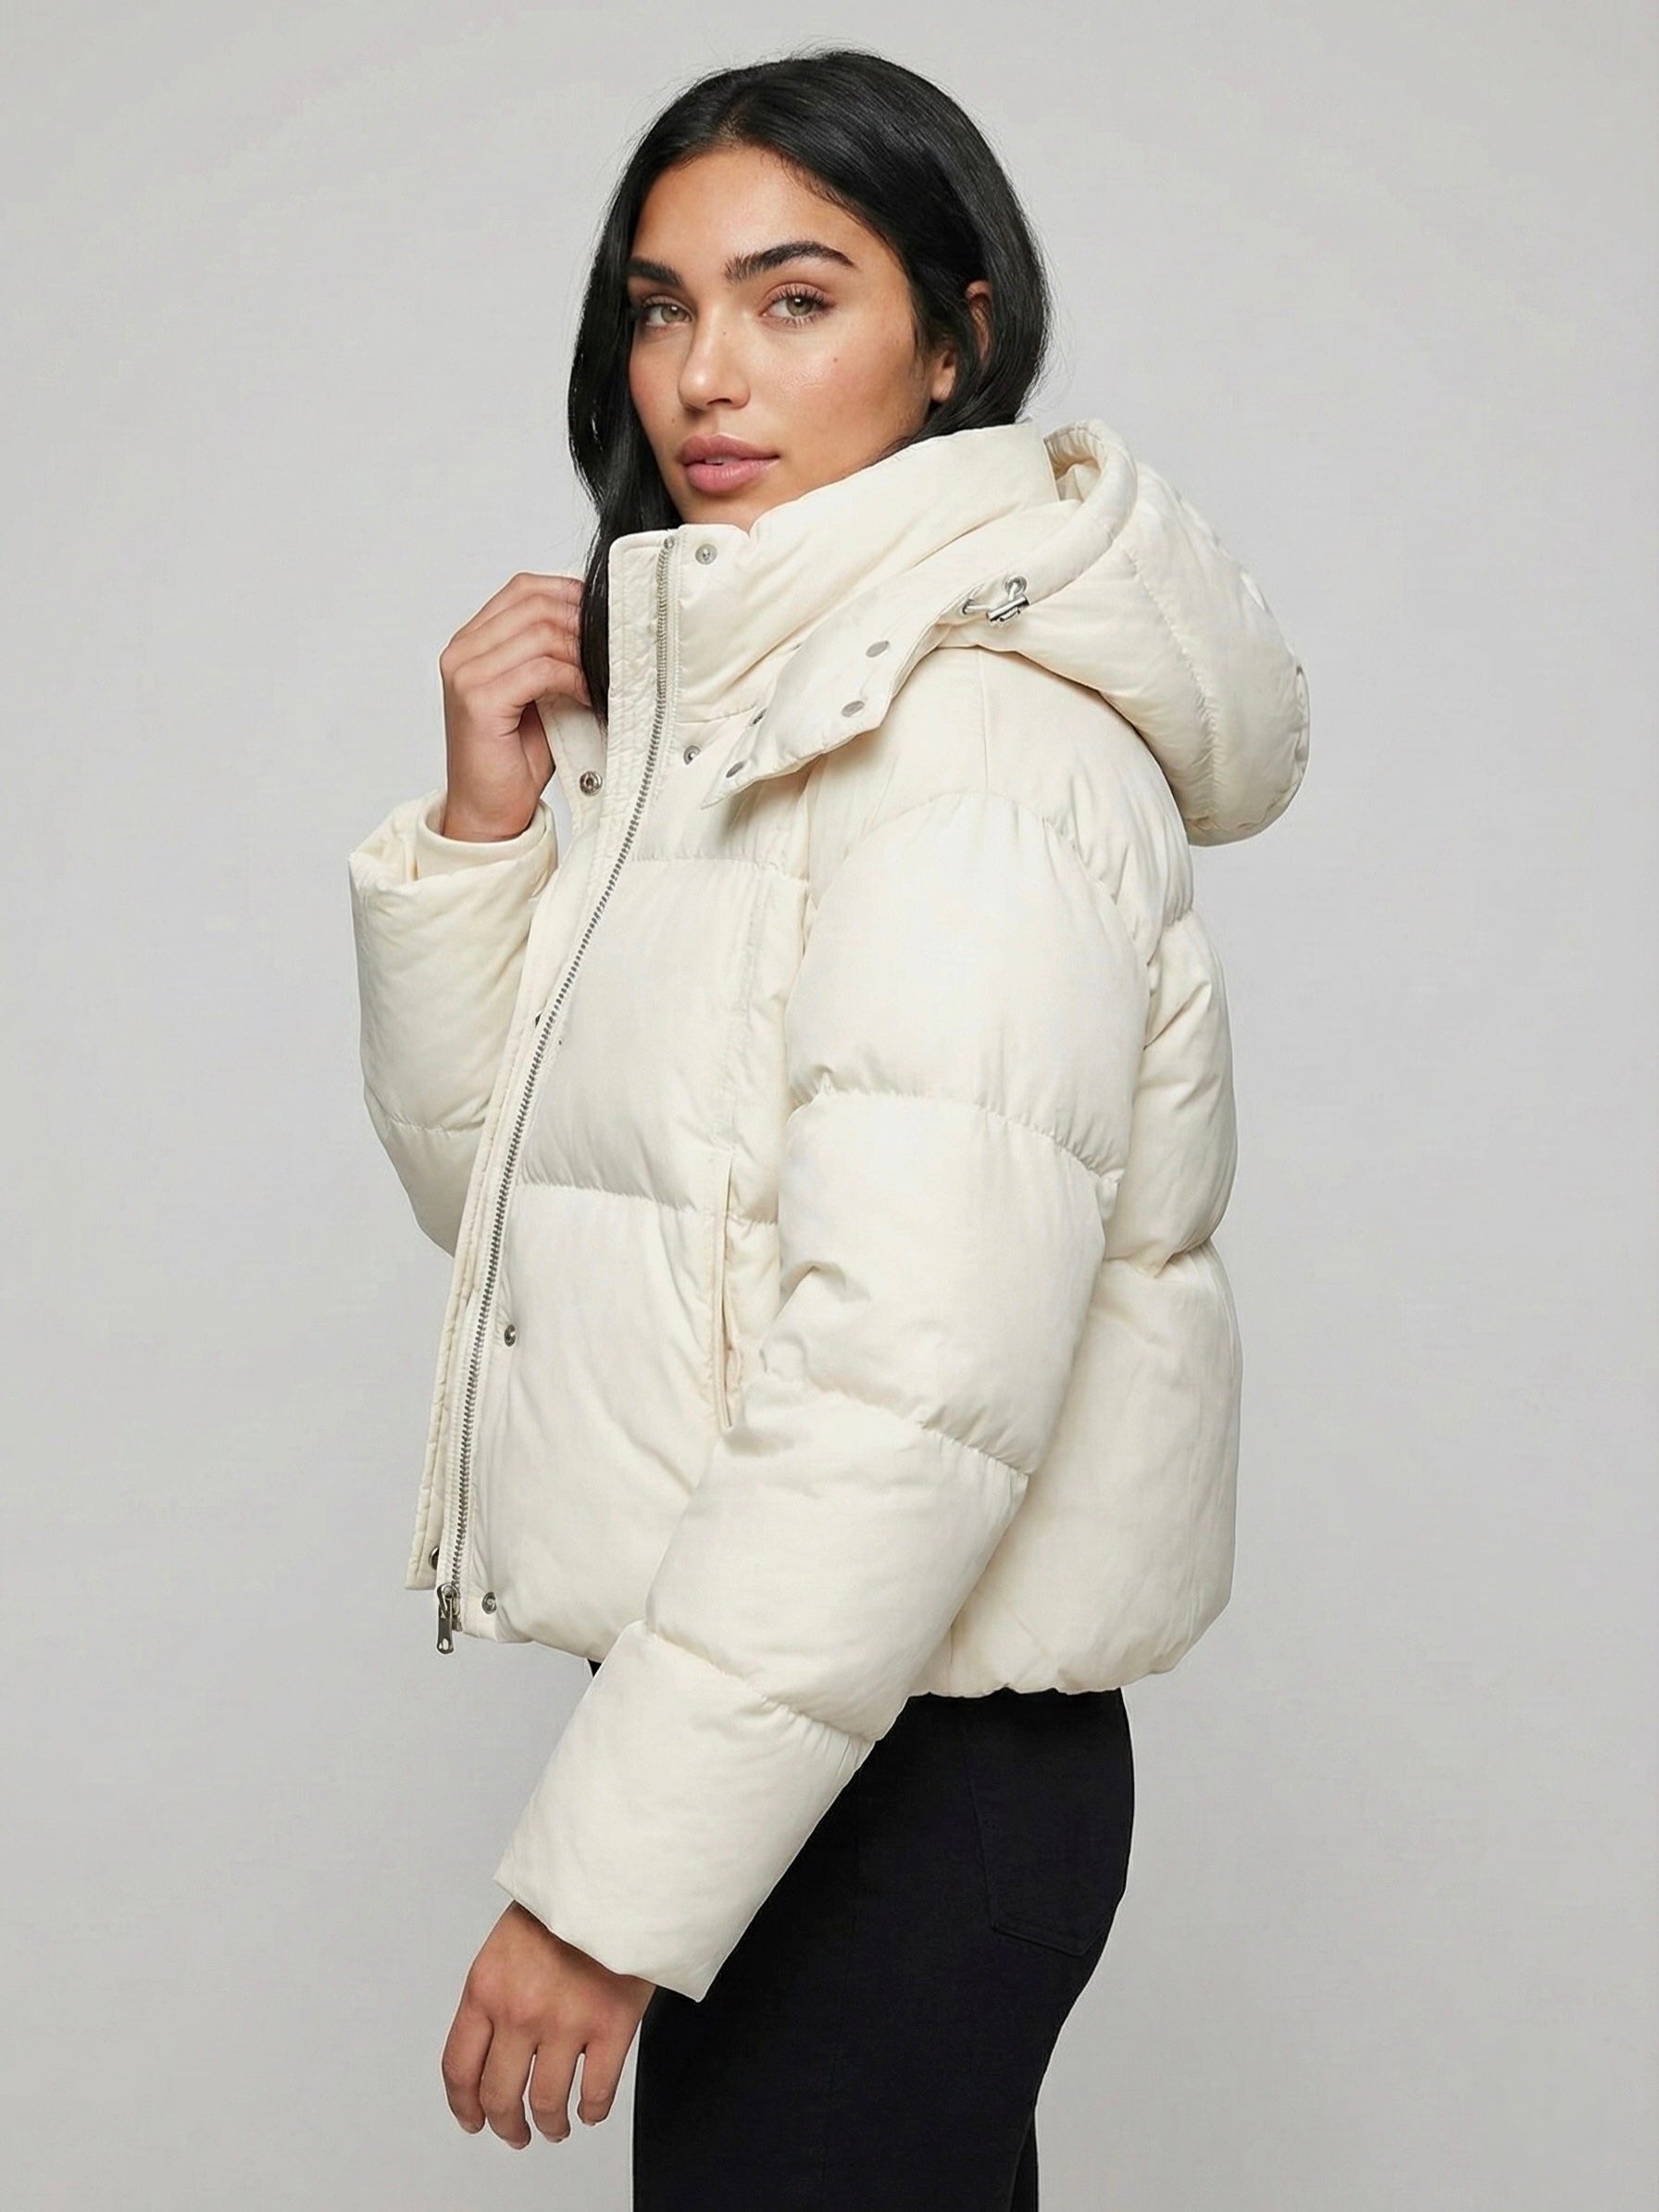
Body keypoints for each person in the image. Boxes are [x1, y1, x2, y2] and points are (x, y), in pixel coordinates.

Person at [346, 44, 1308, 2211]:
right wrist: (487, 836)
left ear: (955, 338)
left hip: (906, 1785)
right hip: (798, 1741)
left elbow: (902, 1379)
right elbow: (516, 1217)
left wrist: (605, 1886)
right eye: (660, 305)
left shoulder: (964, 750)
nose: (706, 372)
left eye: (794, 298)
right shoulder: (744, 740)